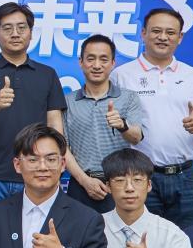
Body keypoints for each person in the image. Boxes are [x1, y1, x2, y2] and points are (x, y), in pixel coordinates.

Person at [112, 8, 193, 229]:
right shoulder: (122, 75)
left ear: (180, 37)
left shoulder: (192, 75)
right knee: (142, 240)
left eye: (170, 32)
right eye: (156, 31)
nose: (163, 37)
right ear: (143, 33)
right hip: (140, 175)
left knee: (185, 241)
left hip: (184, 176)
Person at [0, 1, 67, 210]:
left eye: (21, 27)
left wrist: (55, 163)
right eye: (7, 28)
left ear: (30, 33)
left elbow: (55, 124)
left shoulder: (47, 74)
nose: (15, 34)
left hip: (37, 172)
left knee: (38, 230)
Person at [62, 34, 146, 214]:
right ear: (81, 62)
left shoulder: (128, 98)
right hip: (80, 184)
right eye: (90, 59)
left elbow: (136, 137)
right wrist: (85, 181)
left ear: (113, 63)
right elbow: (63, 148)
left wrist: (122, 125)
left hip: (120, 184)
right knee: (78, 232)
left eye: (104, 59)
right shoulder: (67, 101)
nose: (97, 65)